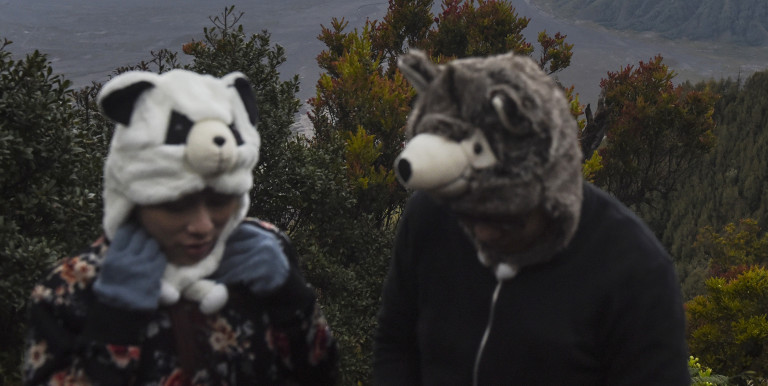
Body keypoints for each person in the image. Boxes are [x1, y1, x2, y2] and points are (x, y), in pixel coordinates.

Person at [373, 50, 691, 385]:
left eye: (505, 216)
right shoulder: (432, 213)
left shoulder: (635, 271)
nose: (483, 232)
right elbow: (396, 343)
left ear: (549, 185)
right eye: (469, 213)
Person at [22, 69, 338, 385]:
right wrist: (114, 322)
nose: (202, 226)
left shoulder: (267, 251)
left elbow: (321, 372)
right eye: (175, 205)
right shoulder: (70, 290)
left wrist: (291, 298)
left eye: (219, 201)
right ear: (134, 198)